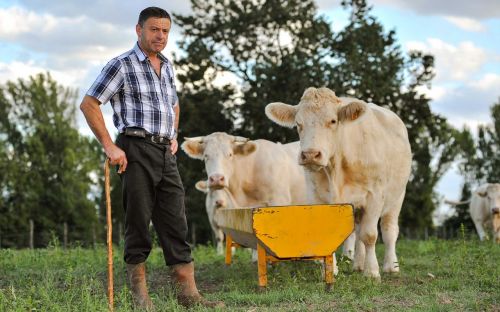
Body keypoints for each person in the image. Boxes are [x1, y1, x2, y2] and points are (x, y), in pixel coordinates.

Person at [80, 7, 223, 310]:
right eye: (154, 29)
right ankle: (140, 298)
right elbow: (89, 103)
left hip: (163, 152)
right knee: (138, 220)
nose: (160, 36)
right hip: (134, 149)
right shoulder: (121, 64)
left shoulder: (168, 66)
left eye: (165, 31)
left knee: (176, 219)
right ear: (139, 30)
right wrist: (110, 147)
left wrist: (173, 135)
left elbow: (174, 104)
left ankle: (188, 294)